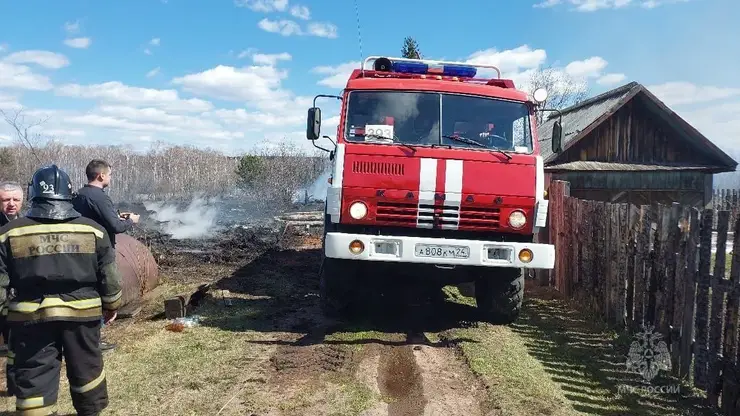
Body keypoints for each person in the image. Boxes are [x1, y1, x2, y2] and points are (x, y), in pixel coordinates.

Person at [0, 164, 122, 416]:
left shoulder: (8, 234)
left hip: (30, 319)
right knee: (87, 369)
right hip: (83, 317)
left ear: (32, 194)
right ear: (68, 194)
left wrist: (4, 317)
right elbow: (109, 276)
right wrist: (112, 304)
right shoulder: (93, 230)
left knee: (34, 375)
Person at [72, 159, 139, 352]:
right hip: (99, 254)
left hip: (81, 252)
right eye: (109, 174)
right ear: (101, 175)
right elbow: (115, 227)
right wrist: (131, 221)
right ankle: (93, 341)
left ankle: (84, 338)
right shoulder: (98, 196)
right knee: (100, 295)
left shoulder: (80, 195)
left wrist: (116, 216)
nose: (110, 178)